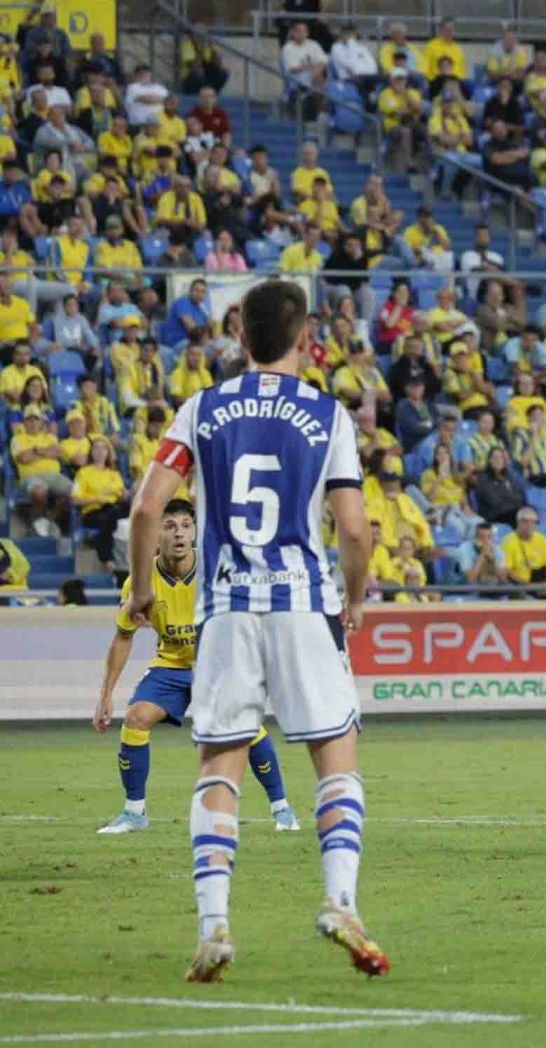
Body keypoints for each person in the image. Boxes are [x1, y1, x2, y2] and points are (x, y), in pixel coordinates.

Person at [124, 279, 382, 982]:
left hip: (226, 609)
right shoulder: (328, 415)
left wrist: (144, 589)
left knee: (219, 763)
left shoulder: (201, 408)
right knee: (336, 756)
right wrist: (353, 599)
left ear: (240, 338)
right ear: (306, 340)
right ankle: (339, 901)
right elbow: (354, 527)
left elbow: (148, 509)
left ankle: (213, 925)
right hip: (301, 603)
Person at [92, 500, 297, 837]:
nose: (179, 534)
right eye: (170, 525)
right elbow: (123, 637)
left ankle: (283, 809)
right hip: (170, 665)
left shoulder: (216, 569)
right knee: (136, 717)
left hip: (217, 665)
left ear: (195, 532)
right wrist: (105, 696)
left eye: (186, 525)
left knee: (247, 727)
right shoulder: (140, 582)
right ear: (156, 533)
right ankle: (134, 812)